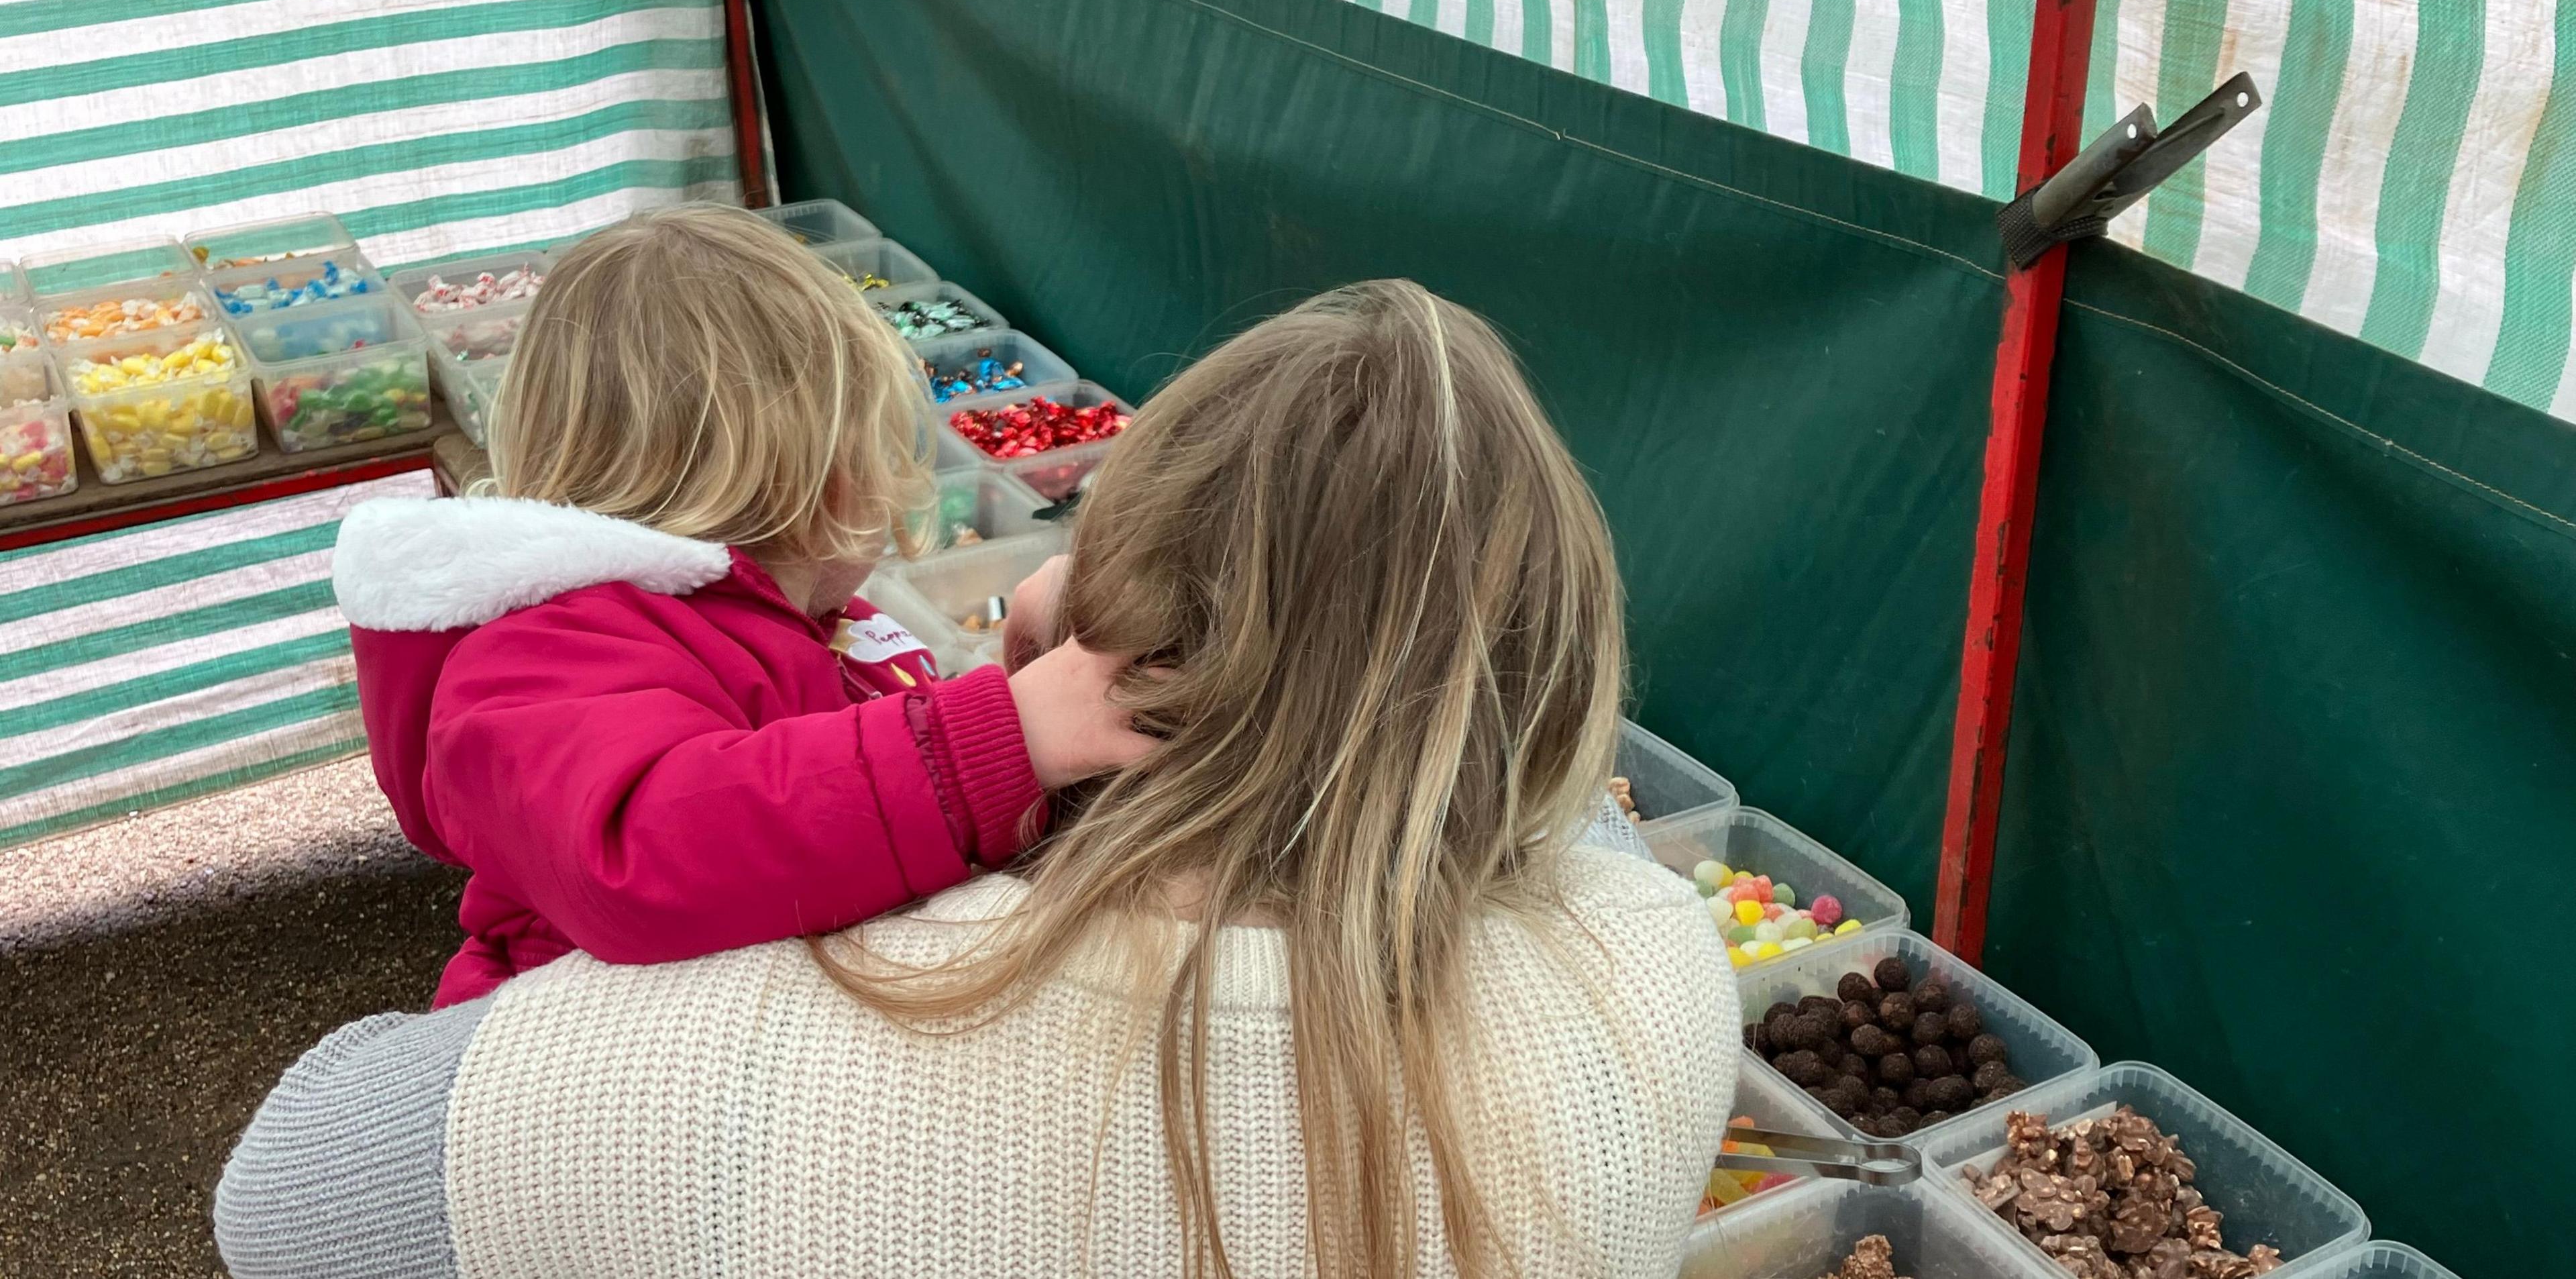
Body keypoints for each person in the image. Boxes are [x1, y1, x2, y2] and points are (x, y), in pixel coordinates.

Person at [219, 280, 1739, 1279]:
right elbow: (1559, 808)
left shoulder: (717, 1036)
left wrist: (1013, 702)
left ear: (1114, 625)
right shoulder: (1656, 969)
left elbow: (277, 1202)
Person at [330, 205, 1151, 1007]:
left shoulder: (814, 615)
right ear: (834, 484)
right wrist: (1001, 736)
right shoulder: (543, 651)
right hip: (590, 1081)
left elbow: (841, 778)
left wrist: (1017, 683)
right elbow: (642, 849)